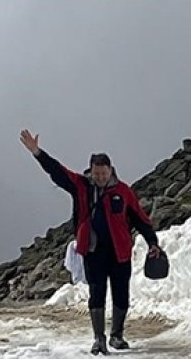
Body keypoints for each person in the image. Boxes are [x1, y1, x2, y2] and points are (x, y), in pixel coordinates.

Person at [19, 128, 161, 355]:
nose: (100, 177)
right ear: (91, 171)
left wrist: (152, 241)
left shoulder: (124, 191)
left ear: (111, 170)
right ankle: (99, 338)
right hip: (94, 251)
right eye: (96, 173)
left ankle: (117, 336)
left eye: (103, 174)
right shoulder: (81, 186)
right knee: (97, 293)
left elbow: (139, 218)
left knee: (121, 292)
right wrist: (37, 152)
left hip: (120, 251)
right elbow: (58, 172)